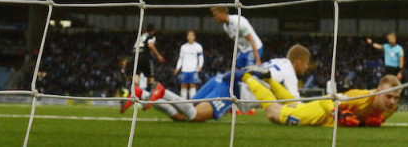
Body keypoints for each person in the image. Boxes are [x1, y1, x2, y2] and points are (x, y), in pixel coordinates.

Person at [126, 44, 312, 122]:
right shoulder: (290, 73)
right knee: (194, 116)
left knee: (182, 115)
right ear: (298, 61)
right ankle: (162, 91)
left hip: (223, 78)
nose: (307, 68)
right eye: (306, 63)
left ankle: (141, 94)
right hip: (234, 88)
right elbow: (296, 105)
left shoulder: (278, 62)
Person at [246, 73, 402, 128]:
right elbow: (327, 99)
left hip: (325, 120)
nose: (392, 102)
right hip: (317, 114)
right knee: (273, 113)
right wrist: (336, 113)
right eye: (388, 96)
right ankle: (246, 76)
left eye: (396, 98)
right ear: (377, 92)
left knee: (292, 103)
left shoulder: (391, 108)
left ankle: (269, 78)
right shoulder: (359, 97)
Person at [126, 25, 165, 100]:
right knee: (151, 78)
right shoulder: (150, 36)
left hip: (135, 56)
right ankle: (151, 98)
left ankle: (133, 97)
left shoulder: (140, 37)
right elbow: (150, 45)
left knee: (136, 78)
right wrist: (158, 55)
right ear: (153, 31)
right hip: (144, 57)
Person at [175, 30, 204, 99]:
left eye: (192, 35)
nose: (190, 37)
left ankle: (192, 102)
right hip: (184, 69)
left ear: (194, 37)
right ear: (187, 37)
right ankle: (183, 102)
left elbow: (201, 57)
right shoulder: (183, 47)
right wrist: (177, 67)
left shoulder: (198, 46)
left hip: (193, 69)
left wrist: (200, 66)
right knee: (183, 85)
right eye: (189, 35)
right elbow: (180, 58)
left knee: (192, 85)